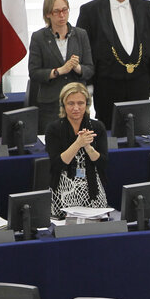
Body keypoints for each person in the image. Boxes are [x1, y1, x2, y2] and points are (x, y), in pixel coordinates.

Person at [76, 0, 150, 129]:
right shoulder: (91, 10)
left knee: (140, 129)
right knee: (109, 131)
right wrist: (86, 82)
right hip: (106, 84)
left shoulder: (145, 7)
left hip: (140, 81)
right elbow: (82, 49)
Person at [28, 0, 94, 133]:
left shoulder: (80, 34)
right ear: (48, 14)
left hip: (78, 103)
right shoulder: (39, 37)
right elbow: (34, 73)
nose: (62, 15)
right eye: (56, 11)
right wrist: (58, 71)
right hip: (51, 104)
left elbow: (89, 69)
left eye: (65, 10)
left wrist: (77, 68)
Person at [45, 83, 108, 218]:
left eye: (80, 103)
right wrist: (78, 144)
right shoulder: (54, 129)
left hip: (93, 188)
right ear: (63, 105)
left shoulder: (97, 127)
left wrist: (88, 148)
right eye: (71, 103)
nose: (76, 108)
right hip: (63, 188)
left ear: (87, 104)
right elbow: (57, 165)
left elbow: (103, 163)